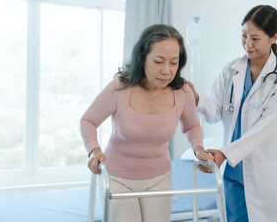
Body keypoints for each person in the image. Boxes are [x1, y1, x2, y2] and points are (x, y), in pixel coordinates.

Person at [80, 24, 213, 222]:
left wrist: (198, 148)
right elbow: (88, 120)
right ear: (142, 58)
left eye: (174, 63)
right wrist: (94, 151)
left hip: (159, 178)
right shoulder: (120, 88)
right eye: (159, 61)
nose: (167, 71)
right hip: (118, 178)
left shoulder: (182, 91)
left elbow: (192, 126)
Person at [187, 5, 277, 222]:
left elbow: (265, 127)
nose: (248, 44)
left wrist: (225, 153)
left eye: (255, 38)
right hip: (234, 173)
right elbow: (215, 109)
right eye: (244, 36)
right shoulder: (232, 70)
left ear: (274, 38)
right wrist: (196, 98)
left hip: (264, 174)